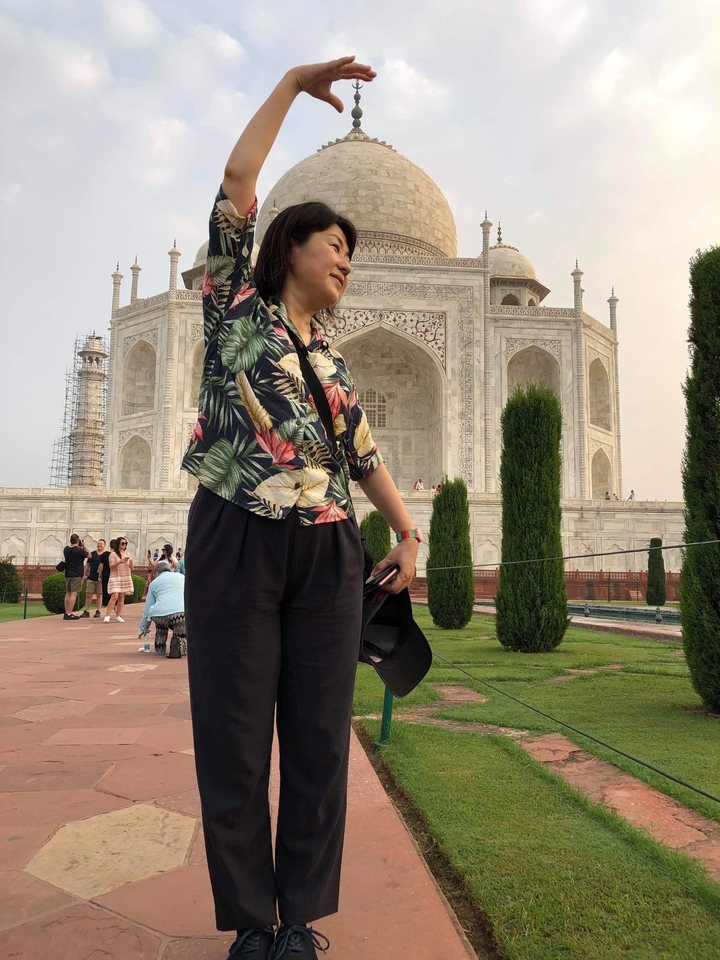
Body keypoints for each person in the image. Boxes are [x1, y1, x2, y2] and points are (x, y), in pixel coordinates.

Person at [181, 57, 421, 960]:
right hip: (238, 532)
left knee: (320, 739)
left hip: (327, 552)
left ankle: (299, 922)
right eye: (336, 247)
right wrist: (289, 84)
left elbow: (361, 454)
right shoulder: (235, 308)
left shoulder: (333, 360)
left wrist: (404, 529)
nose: (347, 262)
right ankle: (249, 920)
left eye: (355, 253)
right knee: (234, 736)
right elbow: (241, 181)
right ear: (290, 249)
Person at [138, 560, 187, 656]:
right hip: (180, 612)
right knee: (181, 627)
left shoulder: (154, 583)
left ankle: (160, 649)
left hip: (161, 615)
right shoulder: (182, 577)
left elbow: (147, 608)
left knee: (161, 627)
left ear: (156, 573)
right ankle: (179, 645)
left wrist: (143, 628)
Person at [104, 537, 134, 623]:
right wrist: (120, 562)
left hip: (125, 576)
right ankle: (108, 615)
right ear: (118, 544)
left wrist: (131, 563)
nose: (124, 545)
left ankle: (118, 615)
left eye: (125, 543)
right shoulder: (113, 554)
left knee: (121, 597)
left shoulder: (128, 554)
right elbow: (111, 567)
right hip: (116, 577)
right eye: (122, 543)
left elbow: (131, 567)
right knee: (115, 596)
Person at [62, 534, 89, 621]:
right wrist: (84, 546)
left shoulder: (66, 549)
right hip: (76, 574)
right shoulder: (79, 550)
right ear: (78, 541)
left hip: (68, 573)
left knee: (68, 593)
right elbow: (89, 556)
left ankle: (66, 612)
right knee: (74, 594)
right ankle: (69, 613)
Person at [81, 539, 106, 618]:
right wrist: (84, 574)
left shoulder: (106, 555)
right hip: (91, 577)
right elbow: (87, 565)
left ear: (104, 545)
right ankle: (87, 611)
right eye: (98, 544)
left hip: (101, 578)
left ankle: (98, 610)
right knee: (89, 594)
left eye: (101, 544)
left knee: (99, 594)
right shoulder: (92, 554)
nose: (99, 545)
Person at [100, 539, 115, 610]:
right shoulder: (117, 555)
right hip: (114, 575)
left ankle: (109, 610)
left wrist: (99, 575)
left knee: (107, 593)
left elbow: (101, 566)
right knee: (115, 594)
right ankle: (116, 612)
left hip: (106, 575)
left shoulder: (105, 554)